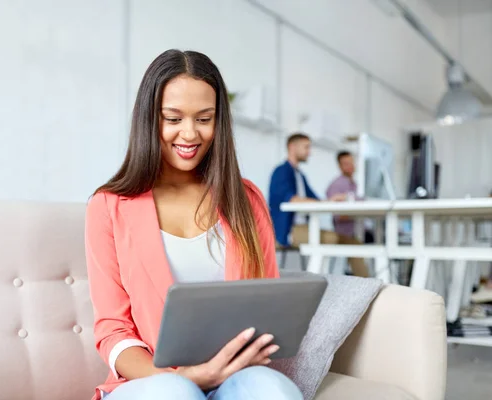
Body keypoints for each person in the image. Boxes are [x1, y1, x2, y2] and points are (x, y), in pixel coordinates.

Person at [85, 49, 303, 400]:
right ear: (149, 119)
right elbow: (112, 329)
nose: (189, 134)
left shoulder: (247, 200)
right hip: (149, 383)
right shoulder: (109, 206)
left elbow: (267, 306)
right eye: (172, 119)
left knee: (271, 390)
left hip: (234, 377)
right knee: (177, 393)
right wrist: (187, 377)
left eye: (204, 119)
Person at [268, 134, 369, 277]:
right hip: (288, 231)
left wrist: (331, 200)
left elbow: (315, 200)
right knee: (332, 238)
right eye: (306, 147)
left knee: (353, 242)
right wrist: (324, 202)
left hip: (305, 228)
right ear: (292, 147)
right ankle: (323, 286)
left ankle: (369, 284)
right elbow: (292, 200)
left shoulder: (300, 176)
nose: (310, 152)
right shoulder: (281, 172)